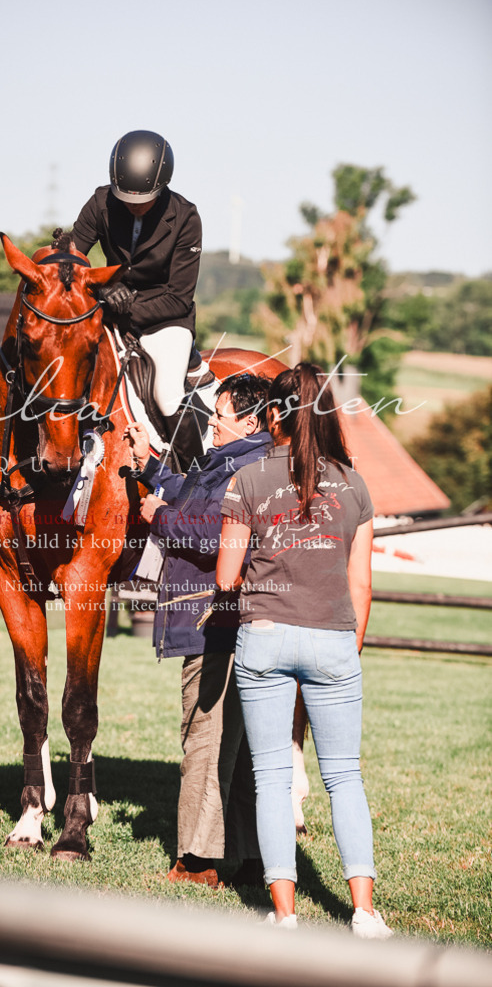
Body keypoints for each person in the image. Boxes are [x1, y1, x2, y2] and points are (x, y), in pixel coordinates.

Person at [216, 362, 393, 937]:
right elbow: (362, 584)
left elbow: (225, 577)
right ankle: (364, 911)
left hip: (264, 636)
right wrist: (349, 648)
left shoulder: (247, 479)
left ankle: (285, 915)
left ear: (274, 414)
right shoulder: (356, 485)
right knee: (345, 778)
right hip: (334, 638)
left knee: (270, 777)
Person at [125, 374, 279, 887]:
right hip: (226, 623)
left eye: (221, 414)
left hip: (216, 621)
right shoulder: (241, 461)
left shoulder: (246, 467)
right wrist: (151, 466)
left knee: (205, 741)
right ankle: (250, 858)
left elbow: (214, 536)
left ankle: (198, 860)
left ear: (251, 422)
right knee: (234, 745)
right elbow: (194, 498)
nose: (211, 422)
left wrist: (159, 517)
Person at [73, 129, 205, 468]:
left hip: (165, 320)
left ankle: (198, 481)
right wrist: (100, 290)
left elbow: (178, 297)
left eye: (142, 200)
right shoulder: (101, 202)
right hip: (108, 308)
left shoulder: (186, 217)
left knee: (167, 395)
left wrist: (125, 308)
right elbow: (72, 261)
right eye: (125, 199)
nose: (132, 207)